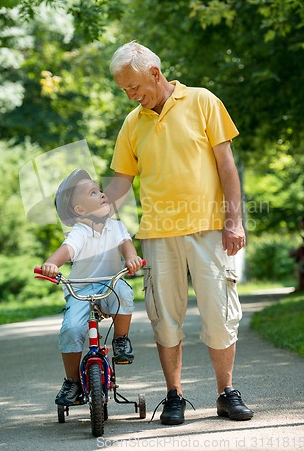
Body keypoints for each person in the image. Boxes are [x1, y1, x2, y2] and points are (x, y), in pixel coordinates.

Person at [105, 41, 254, 425]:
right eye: (124, 89)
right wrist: (94, 211)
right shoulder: (132, 123)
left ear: (155, 73)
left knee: (219, 315)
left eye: (134, 86)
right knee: (164, 318)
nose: (130, 95)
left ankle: (226, 392)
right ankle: (174, 396)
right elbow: (122, 180)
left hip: (208, 229)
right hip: (157, 234)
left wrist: (234, 221)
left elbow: (227, 166)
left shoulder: (203, 101)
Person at [41, 168, 143, 406]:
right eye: (94, 192)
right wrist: (51, 264)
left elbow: (127, 246)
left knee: (125, 293)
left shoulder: (116, 227)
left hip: (110, 283)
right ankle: (72, 382)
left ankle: (120, 339)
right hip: (81, 288)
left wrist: (131, 258)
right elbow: (66, 251)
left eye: (101, 190)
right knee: (71, 329)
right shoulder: (80, 232)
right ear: (80, 210)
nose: (104, 194)